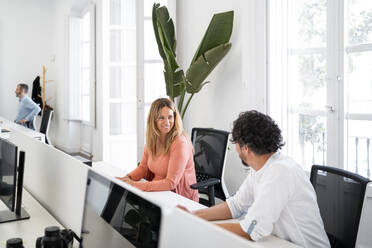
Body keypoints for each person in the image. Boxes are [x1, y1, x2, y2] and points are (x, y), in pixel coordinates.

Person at [178, 110, 330, 247]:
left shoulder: (280, 172)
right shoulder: (261, 166)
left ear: (246, 148)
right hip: (280, 242)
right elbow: (237, 205)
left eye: (236, 143)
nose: (235, 147)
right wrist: (194, 216)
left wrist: (201, 228)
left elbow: (251, 229)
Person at [117, 98, 199, 202]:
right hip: (157, 191)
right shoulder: (153, 139)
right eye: (161, 118)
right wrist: (127, 178)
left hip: (178, 197)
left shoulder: (180, 143)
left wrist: (134, 185)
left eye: (170, 117)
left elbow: (171, 183)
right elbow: (143, 167)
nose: (167, 122)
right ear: (154, 120)